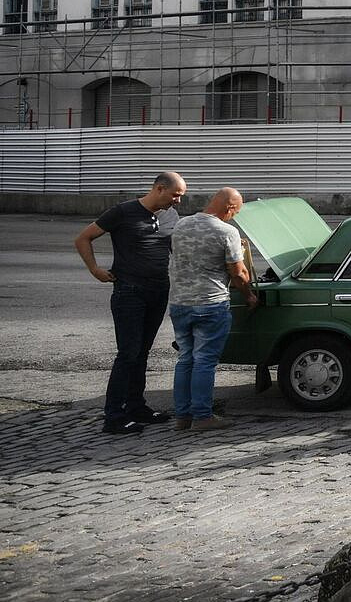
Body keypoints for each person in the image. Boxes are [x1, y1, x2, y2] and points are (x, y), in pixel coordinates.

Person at [75, 171, 188, 435]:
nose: (178, 201)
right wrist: (95, 269)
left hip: (158, 290)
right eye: (176, 195)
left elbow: (177, 251)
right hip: (130, 292)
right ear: (159, 189)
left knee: (142, 353)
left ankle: (136, 407)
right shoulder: (122, 212)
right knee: (128, 353)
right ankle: (113, 416)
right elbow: (83, 238)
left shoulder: (170, 215)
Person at [168, 187, 252, 432]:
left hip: (179, 303)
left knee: (185, 359)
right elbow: (237, 272)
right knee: (204, 361)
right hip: (210, 303)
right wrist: (249, 296)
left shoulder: (181, 225)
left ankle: (182, 417)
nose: (234, 217)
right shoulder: (226, 231)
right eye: (235, 212)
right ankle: (203, 417)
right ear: (229, 207)